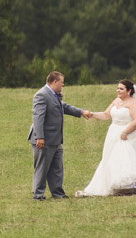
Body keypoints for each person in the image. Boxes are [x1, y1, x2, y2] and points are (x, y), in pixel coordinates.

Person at [76, 79, 136, 197]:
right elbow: (106, 115)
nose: (118, 91)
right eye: (118, 88)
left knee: (124, 157)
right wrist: (92, 114)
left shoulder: (134, 104)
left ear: (129, 91)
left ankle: (127, 186)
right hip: (113, 133)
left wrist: (125, 132)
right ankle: (114, 184)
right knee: (110, 158)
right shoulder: (116, 101)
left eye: (121, 89)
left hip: (127, 135)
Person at [28, 71, 85, 200]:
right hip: (44, 139)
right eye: (61, 83)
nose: (62, 85)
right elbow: (38, 117)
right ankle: (38, 195)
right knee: (42, 168)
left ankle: (58, 193)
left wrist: (81, 112)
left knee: (57, 168)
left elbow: (62, 106)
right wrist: (40, 137)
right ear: (54, 82)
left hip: (55, 139)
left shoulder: (53, 94)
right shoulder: (41, 95)